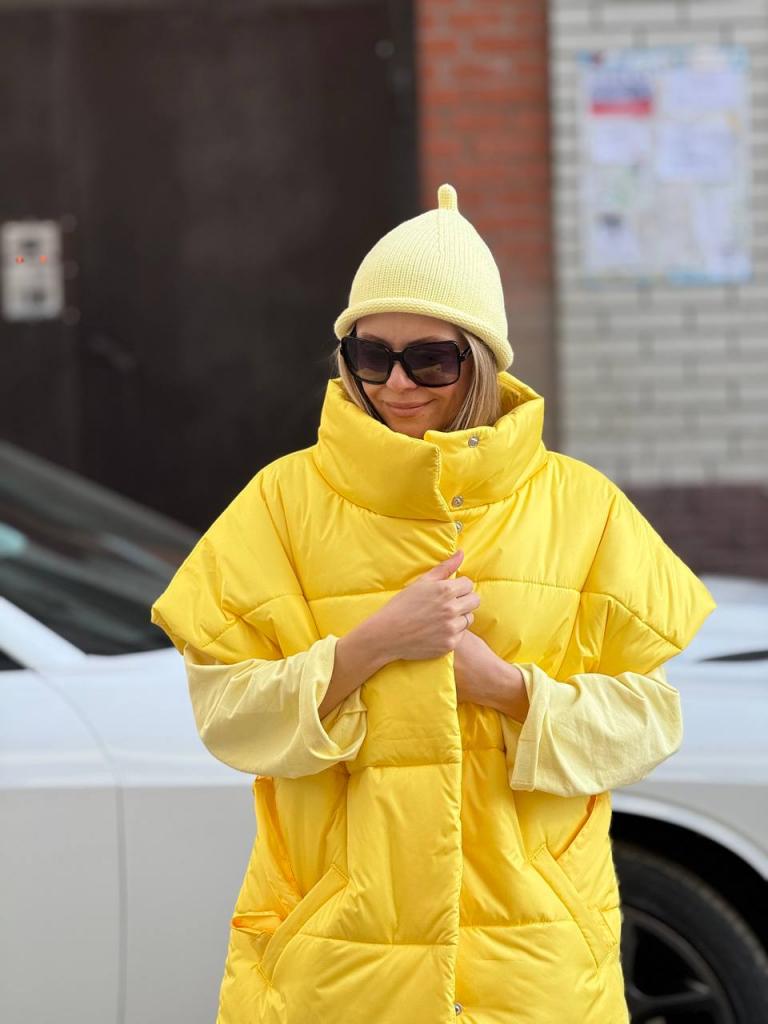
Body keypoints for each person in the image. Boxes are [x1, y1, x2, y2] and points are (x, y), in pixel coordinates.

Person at [150, 182, 717, 1024]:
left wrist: (507, 689)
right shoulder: (281, 503)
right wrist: (372, 645)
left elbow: (649, 725)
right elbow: (229, 718)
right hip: (337, 958)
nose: (395, 383)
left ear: (480, 362)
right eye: (370, 354)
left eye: (431, 360)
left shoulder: (582, 507)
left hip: (533, 960)